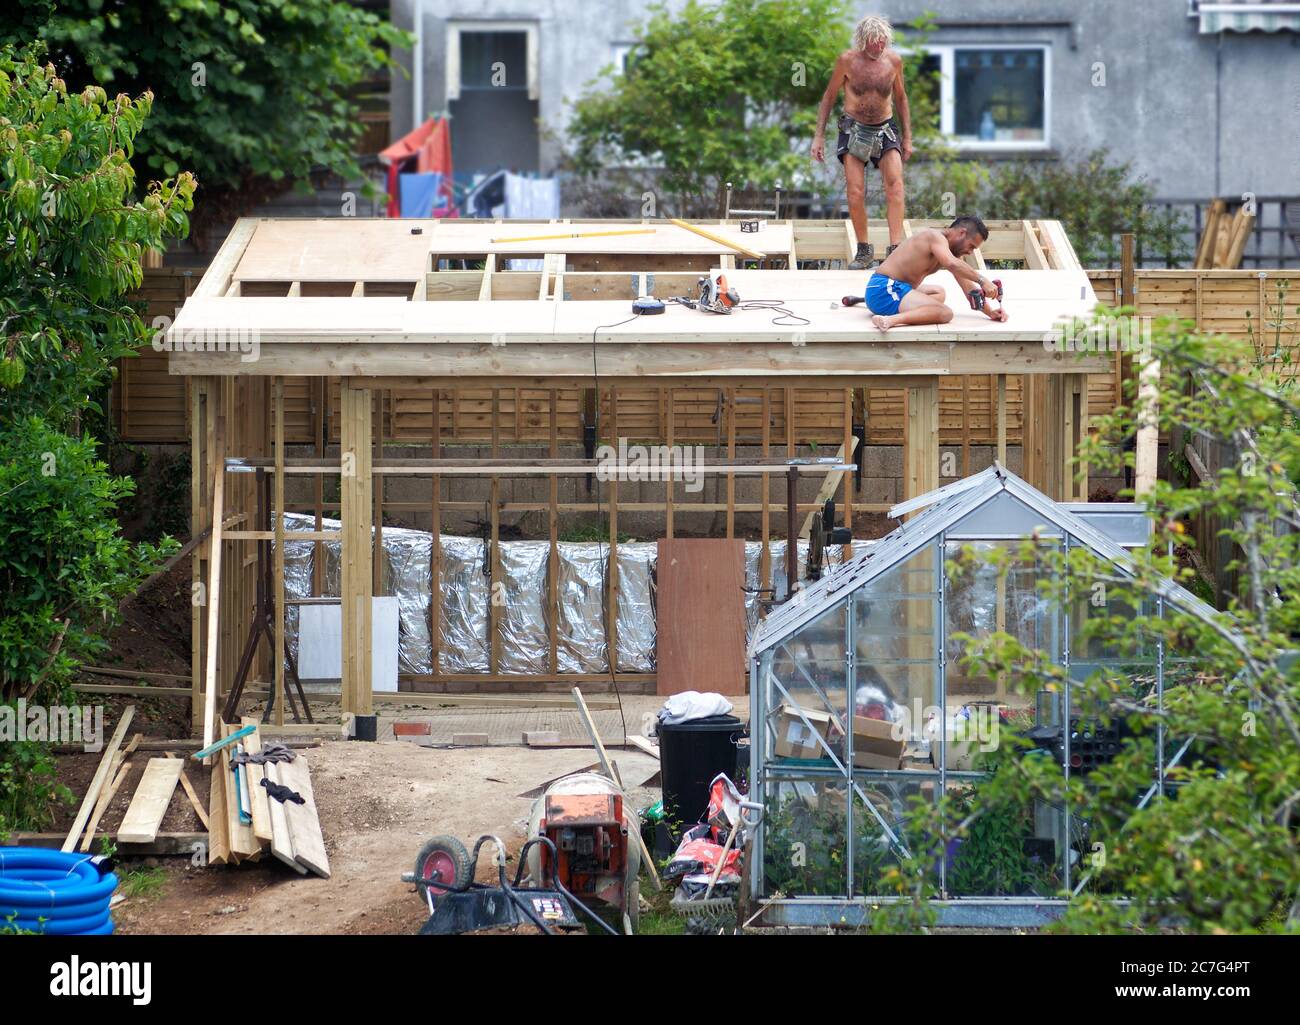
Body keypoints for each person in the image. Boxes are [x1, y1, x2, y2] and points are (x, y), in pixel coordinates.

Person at [811, 15, 913, 270]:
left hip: (886, 129)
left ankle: (895, 250)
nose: (878, 47)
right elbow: (829, 96)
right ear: (863, 41)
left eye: (882, 42)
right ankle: (864, 250)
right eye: (873, 43)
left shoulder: (894, 61)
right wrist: (819, 135)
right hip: (853, 128)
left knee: (896, 187)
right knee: (856, 192)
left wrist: (908, 138)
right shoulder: (847, 61)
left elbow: (901, 99)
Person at [857, 216, 1008, 332]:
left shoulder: (951, 253)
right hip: (884, 288)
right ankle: (889, 320)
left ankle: (870, 302)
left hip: (894, 290)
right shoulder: (934, 237)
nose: (970, 252)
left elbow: (968, 288)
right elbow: (951, 264)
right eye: (971, 246)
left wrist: (991, 313)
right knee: (944, 313)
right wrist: (983, 280)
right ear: (962, 233)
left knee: (938, 293)